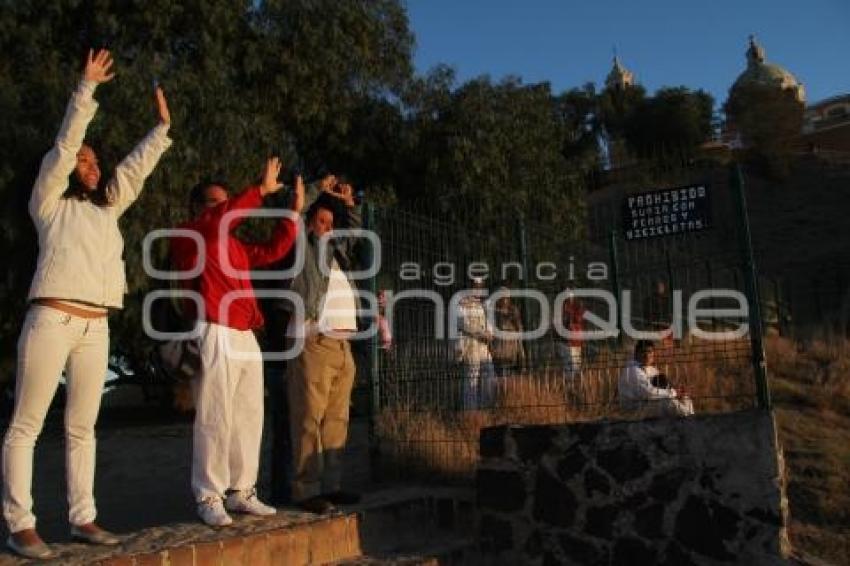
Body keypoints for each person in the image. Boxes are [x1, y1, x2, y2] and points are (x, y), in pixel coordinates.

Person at [2, 49, 172, 559]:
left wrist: (161, 131)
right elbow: (63, 146)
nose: (91, 166)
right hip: (52, 317)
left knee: (83, 427)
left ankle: (84, 518)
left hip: (96, 326)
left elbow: (134, 172)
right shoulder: (48, 201)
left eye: (95, 160)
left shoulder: (106, 211)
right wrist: (85, 90)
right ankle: (19, 524)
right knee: (26, 425)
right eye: (85, 162)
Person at [170, 158, 304, 526]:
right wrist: (258, 191)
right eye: (216, 203)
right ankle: (208, 494)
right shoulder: (190, 235)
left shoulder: (233, 246)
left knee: (248, 414)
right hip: (214, 327)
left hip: (246, 333)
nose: (224, 208)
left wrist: (292, 215)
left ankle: (242, 490)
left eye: (225, 202)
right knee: (215, 413)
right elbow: (223, 218)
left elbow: (272, 251)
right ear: (198, 208)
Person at [282, 176, 364, 515]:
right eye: (321, 222)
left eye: (331, 223)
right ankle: (306, 489)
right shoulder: (303, 248)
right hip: (313, 339)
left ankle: (332, 485)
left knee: (336, 420)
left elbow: (355, 234)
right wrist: (319, 187)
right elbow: (295, 214)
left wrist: (348, 205)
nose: (327, 228)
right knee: (308, 418)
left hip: (342, 345)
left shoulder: (337, 255)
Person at [618, 340, 694, 417]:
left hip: (648, 403)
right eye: (643, 352)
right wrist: (673, 392)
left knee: (685, 398)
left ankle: (690, 419)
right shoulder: (633, 370)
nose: (647, 355)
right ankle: (689, 419)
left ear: (654, 354)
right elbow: (649, 393)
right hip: (635, 409)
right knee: (668, 402)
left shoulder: (651, 369)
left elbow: (663, 386)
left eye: (650, 352)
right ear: (636, 354)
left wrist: (678, 391)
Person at [453, 277, 495, 410]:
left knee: (489, 376)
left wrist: (489, 332)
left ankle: (485, 409)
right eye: (476, 286)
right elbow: (464, 324)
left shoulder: (483, 305)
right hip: (470, 346)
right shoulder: (462, 304)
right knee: (471, 379)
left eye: (480, 287)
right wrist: (483, 333)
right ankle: (471, 413)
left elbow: (489, 324)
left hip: (483, 347)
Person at [490, 287, 525, 378]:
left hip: (511, 346)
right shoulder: (493, 311)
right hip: (499, 346)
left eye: (506, 297)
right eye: (502, 297)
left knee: (511, 373)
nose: (505, 299)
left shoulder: (513, 310)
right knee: (500, 373)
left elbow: (519, 329)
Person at [557, 291, 585, 379]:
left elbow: (578, 320)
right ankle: (570, 383)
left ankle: (574, 382)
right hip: (567, 341)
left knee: (575, 364)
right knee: (569, 365)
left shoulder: (576, 309)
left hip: (574, 340)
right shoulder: (562, 310)